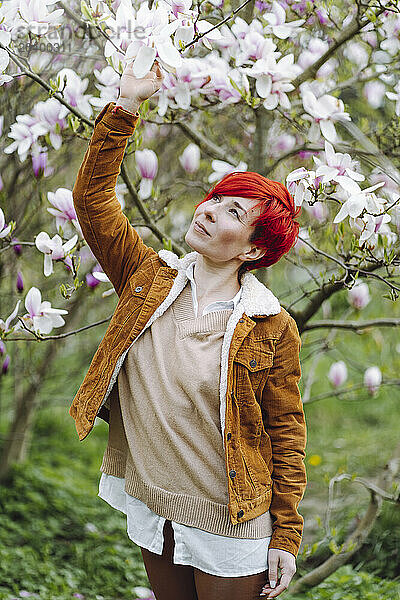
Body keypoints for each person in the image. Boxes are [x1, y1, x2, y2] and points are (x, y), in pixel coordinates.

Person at [69, 58, 307, 600]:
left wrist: (286, 536)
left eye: (231, 212)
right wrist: (126, 105)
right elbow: (92, 204)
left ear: (252, 248)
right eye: (214, 200)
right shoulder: (148, 281)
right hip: (158, 506)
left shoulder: (269, 325)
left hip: (231, 522)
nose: (209, 211)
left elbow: (286, 432)